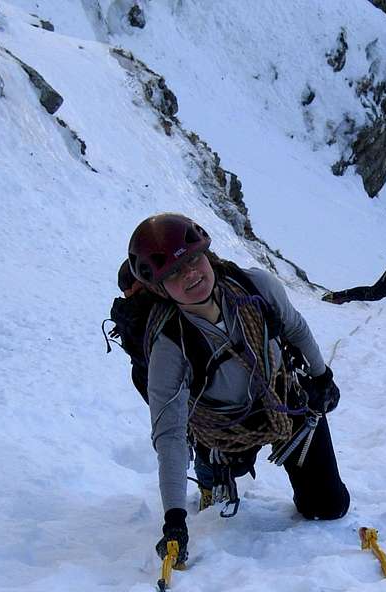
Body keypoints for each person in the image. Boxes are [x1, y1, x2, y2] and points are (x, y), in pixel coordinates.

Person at [126, 213, 350, 566]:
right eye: (173, 273)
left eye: (193, 259)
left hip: (284, 406)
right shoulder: (169, 347)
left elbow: (295, 327)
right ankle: (210, 468)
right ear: (159, 287)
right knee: (220, 460)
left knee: (328, 507)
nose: (190, 274)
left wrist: (322, 377)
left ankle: (215, 463)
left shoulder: (257, 287)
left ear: (207, 254)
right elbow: (170, 435)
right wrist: (174, 520)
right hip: (222, 432)